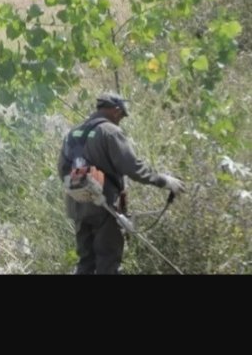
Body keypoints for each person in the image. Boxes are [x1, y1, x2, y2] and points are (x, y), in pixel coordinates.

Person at [57, 92, 185, 275]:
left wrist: (81, 189)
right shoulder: (110, 131)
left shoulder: (72, 133)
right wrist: (164, 181)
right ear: (116, 111)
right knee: (107, 262)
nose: (121, 121)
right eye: (122, 116)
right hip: (104, 207)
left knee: (86, 263)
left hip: (77, 207)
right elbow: (133, 168)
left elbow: (62, 170)